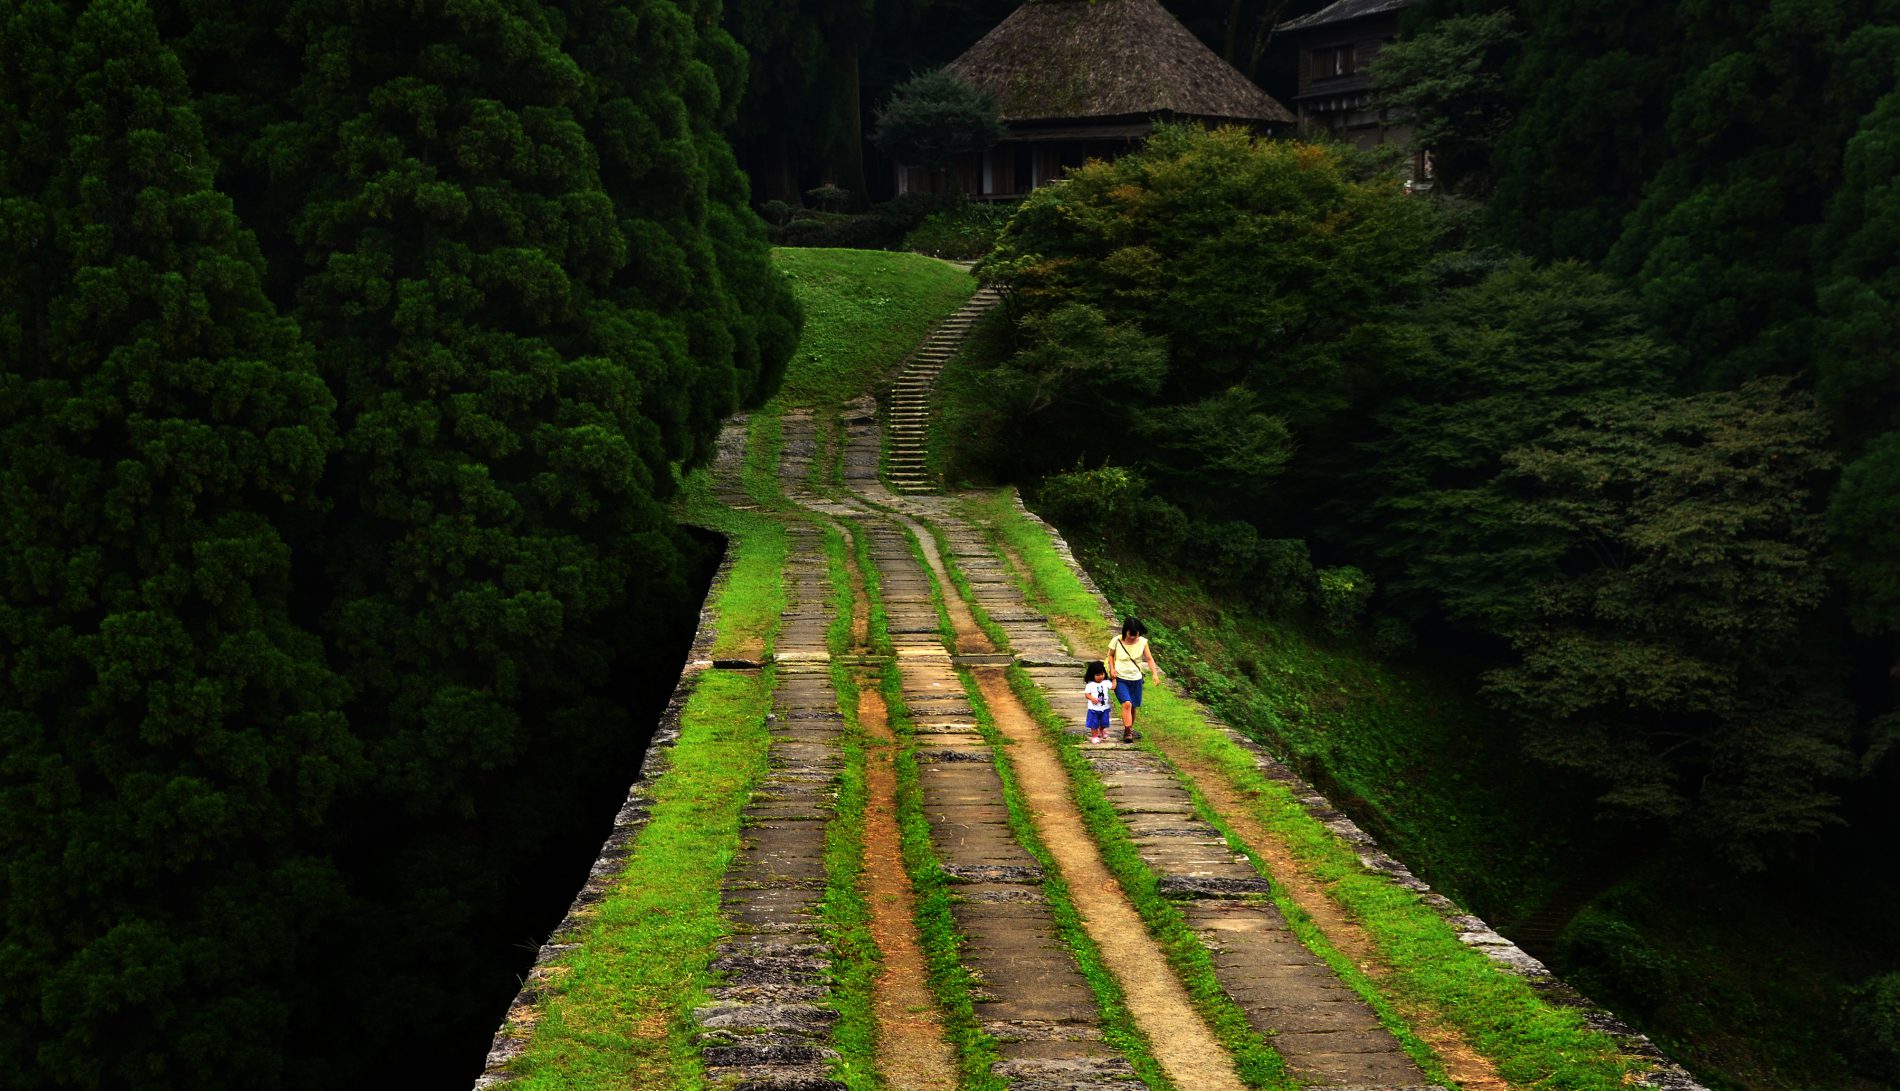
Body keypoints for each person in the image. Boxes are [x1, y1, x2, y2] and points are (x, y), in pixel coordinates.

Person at [1108, 617, 1160, 744]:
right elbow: (1110, 655)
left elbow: (1149, 659)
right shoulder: (1116, 641)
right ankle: (1128, 732)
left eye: (1135, 635)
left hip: (1136, 679)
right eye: (1130, 635)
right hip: (1121, 678)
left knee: (1133, 706)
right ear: (1125, 631)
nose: (1133, 638)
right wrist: (1112, 669)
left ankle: (1129, 728)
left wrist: (1155, 674)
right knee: (1127, 704)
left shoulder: (1142, 642)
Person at [1083, 661, 1114, 744]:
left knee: (1104, 722)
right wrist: (1092, 698)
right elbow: (1087, 695)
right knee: (1094, 723)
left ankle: (1102, 730)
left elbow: (1113, 687)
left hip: (1105, 708)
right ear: (1092, 675)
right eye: (1097, 675)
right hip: (1094, 708)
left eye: (1102, 674)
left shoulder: (1106, 682)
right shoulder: (1090, 684)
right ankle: (1095, 736)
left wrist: (1114, 679)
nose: (1100, 677)